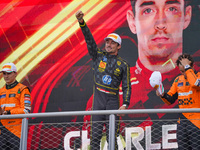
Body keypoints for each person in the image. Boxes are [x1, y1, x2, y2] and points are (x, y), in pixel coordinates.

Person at [75, 10, 131, 150]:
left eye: (112, 43)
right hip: (98, 100)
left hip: (112, 101)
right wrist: (82, 23)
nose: (108, 44)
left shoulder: (123, 64)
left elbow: (126, 86)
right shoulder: (98, 56)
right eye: (107, 42)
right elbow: (90, 40)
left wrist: (125, 104)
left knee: (113, 137)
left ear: (118, 46)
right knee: (95, 137)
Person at [155, 53, 200, 149]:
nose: (184, 73)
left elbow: (195, 84)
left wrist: (188, 68)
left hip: (197, 123)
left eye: (185, 70)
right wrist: (162, 95)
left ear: (192, 65)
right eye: (181, 71)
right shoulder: (178, 80)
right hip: (182, 123)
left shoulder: (198, 76)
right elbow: (170, 100)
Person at [0, 62, 32, 149]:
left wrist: (8, 112)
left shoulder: (23, 89)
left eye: (9, 73)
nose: (6, 76)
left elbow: (26, 110)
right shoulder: (0, 91)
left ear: (15, 74)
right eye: (4, 74)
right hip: (1, 131)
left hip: (16, 132)